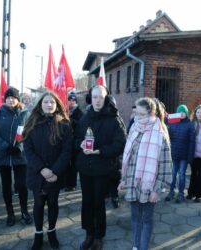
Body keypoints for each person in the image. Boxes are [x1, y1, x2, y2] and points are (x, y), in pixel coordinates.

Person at [75, 85, 126, 250]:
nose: (98, 100)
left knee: (98, 202)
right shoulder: (84, 118)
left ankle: (99, 236)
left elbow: (120, 144)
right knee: (87, 202)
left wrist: (101, 151)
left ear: (105, 99)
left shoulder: (114, 118)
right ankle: (89, 233)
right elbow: (75, 140)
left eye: (101, 97)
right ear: (91, 98)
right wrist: (80, 143)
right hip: (85, 168)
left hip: (102, 168)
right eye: (95, 97)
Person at [118, 97, 172, 250]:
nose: (138, 118)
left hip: (150, 185)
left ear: (152, 113)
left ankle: (143, 247)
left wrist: (157, 189)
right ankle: (135, 246)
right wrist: (124, 179)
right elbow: (127, 157)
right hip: (133, 181)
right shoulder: (134, 128)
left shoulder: (160, 133)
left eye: (142, 115)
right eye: (136, 114)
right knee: (135, 217)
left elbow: (165, 165)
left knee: (146, 219)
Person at [23, 92, 73, 250]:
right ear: (40, 104)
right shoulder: (31, 123)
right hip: (37, 173)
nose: (49, 105)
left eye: (52, 102)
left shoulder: (64, 124)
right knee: (38, 203)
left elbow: (67, 151)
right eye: (46, 102)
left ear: (57, 105)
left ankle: (52, 232)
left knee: (53, 203)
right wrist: (41, 169)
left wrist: (55, 171)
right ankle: (38, 234)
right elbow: (28, 149)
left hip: (55, 174)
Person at [0, 87, 32, 226]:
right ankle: (10, 213)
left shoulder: (26, 114)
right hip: (3, 154)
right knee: (6, 186)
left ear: (18, 99)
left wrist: (19, 147)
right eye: (8, 97)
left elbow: (30, 134)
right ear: (4, 99)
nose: (11, 100)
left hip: (20, 155)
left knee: (21, 185)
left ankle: (24, 211)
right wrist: (5, 146)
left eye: (13, 97)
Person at [165, 104, 195, 203]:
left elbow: (192, 141)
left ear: (186, 113)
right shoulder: (173, 122)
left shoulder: (190, 124)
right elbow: (168, 136)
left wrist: (190, 155)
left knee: (182, 174)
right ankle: (171, 191)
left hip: (184, 154)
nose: (181, 113)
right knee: (173, 173)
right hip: (174, 153)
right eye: (180, 112)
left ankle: (181, 194)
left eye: (183, 112)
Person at [63, 92, 83, 192]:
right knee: (65, 162)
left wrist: (70, 119)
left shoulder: (79, 112)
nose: (71, 102)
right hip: (65, 141)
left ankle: (72, 184)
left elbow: (80, 125)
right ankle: (65, 182)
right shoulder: (64, 111)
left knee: (73, 165)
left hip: (74, 141)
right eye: (69, 100)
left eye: (73, 100)